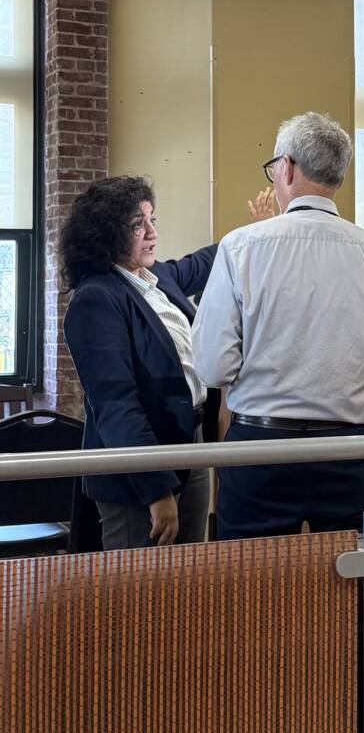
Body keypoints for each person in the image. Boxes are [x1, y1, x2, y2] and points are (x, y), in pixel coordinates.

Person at [191, 111, 364, 540]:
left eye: (274, 167)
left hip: (263, 446)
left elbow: (214, 367)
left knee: (254, 586)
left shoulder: (242, 246)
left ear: (288, 167)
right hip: (358, 449)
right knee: (361, 588)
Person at [61, 176, 264, 551]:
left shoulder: (158, 278)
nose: (152, 232)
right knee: (136, 594)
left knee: (182, 583)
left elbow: (204, 261)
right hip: (138, 473)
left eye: (152, 219)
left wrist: (257, 232)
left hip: (191, 446)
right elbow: (116, 406)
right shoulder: (97, 298)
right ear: (106, 233)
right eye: (138, 224)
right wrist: (157, 490)